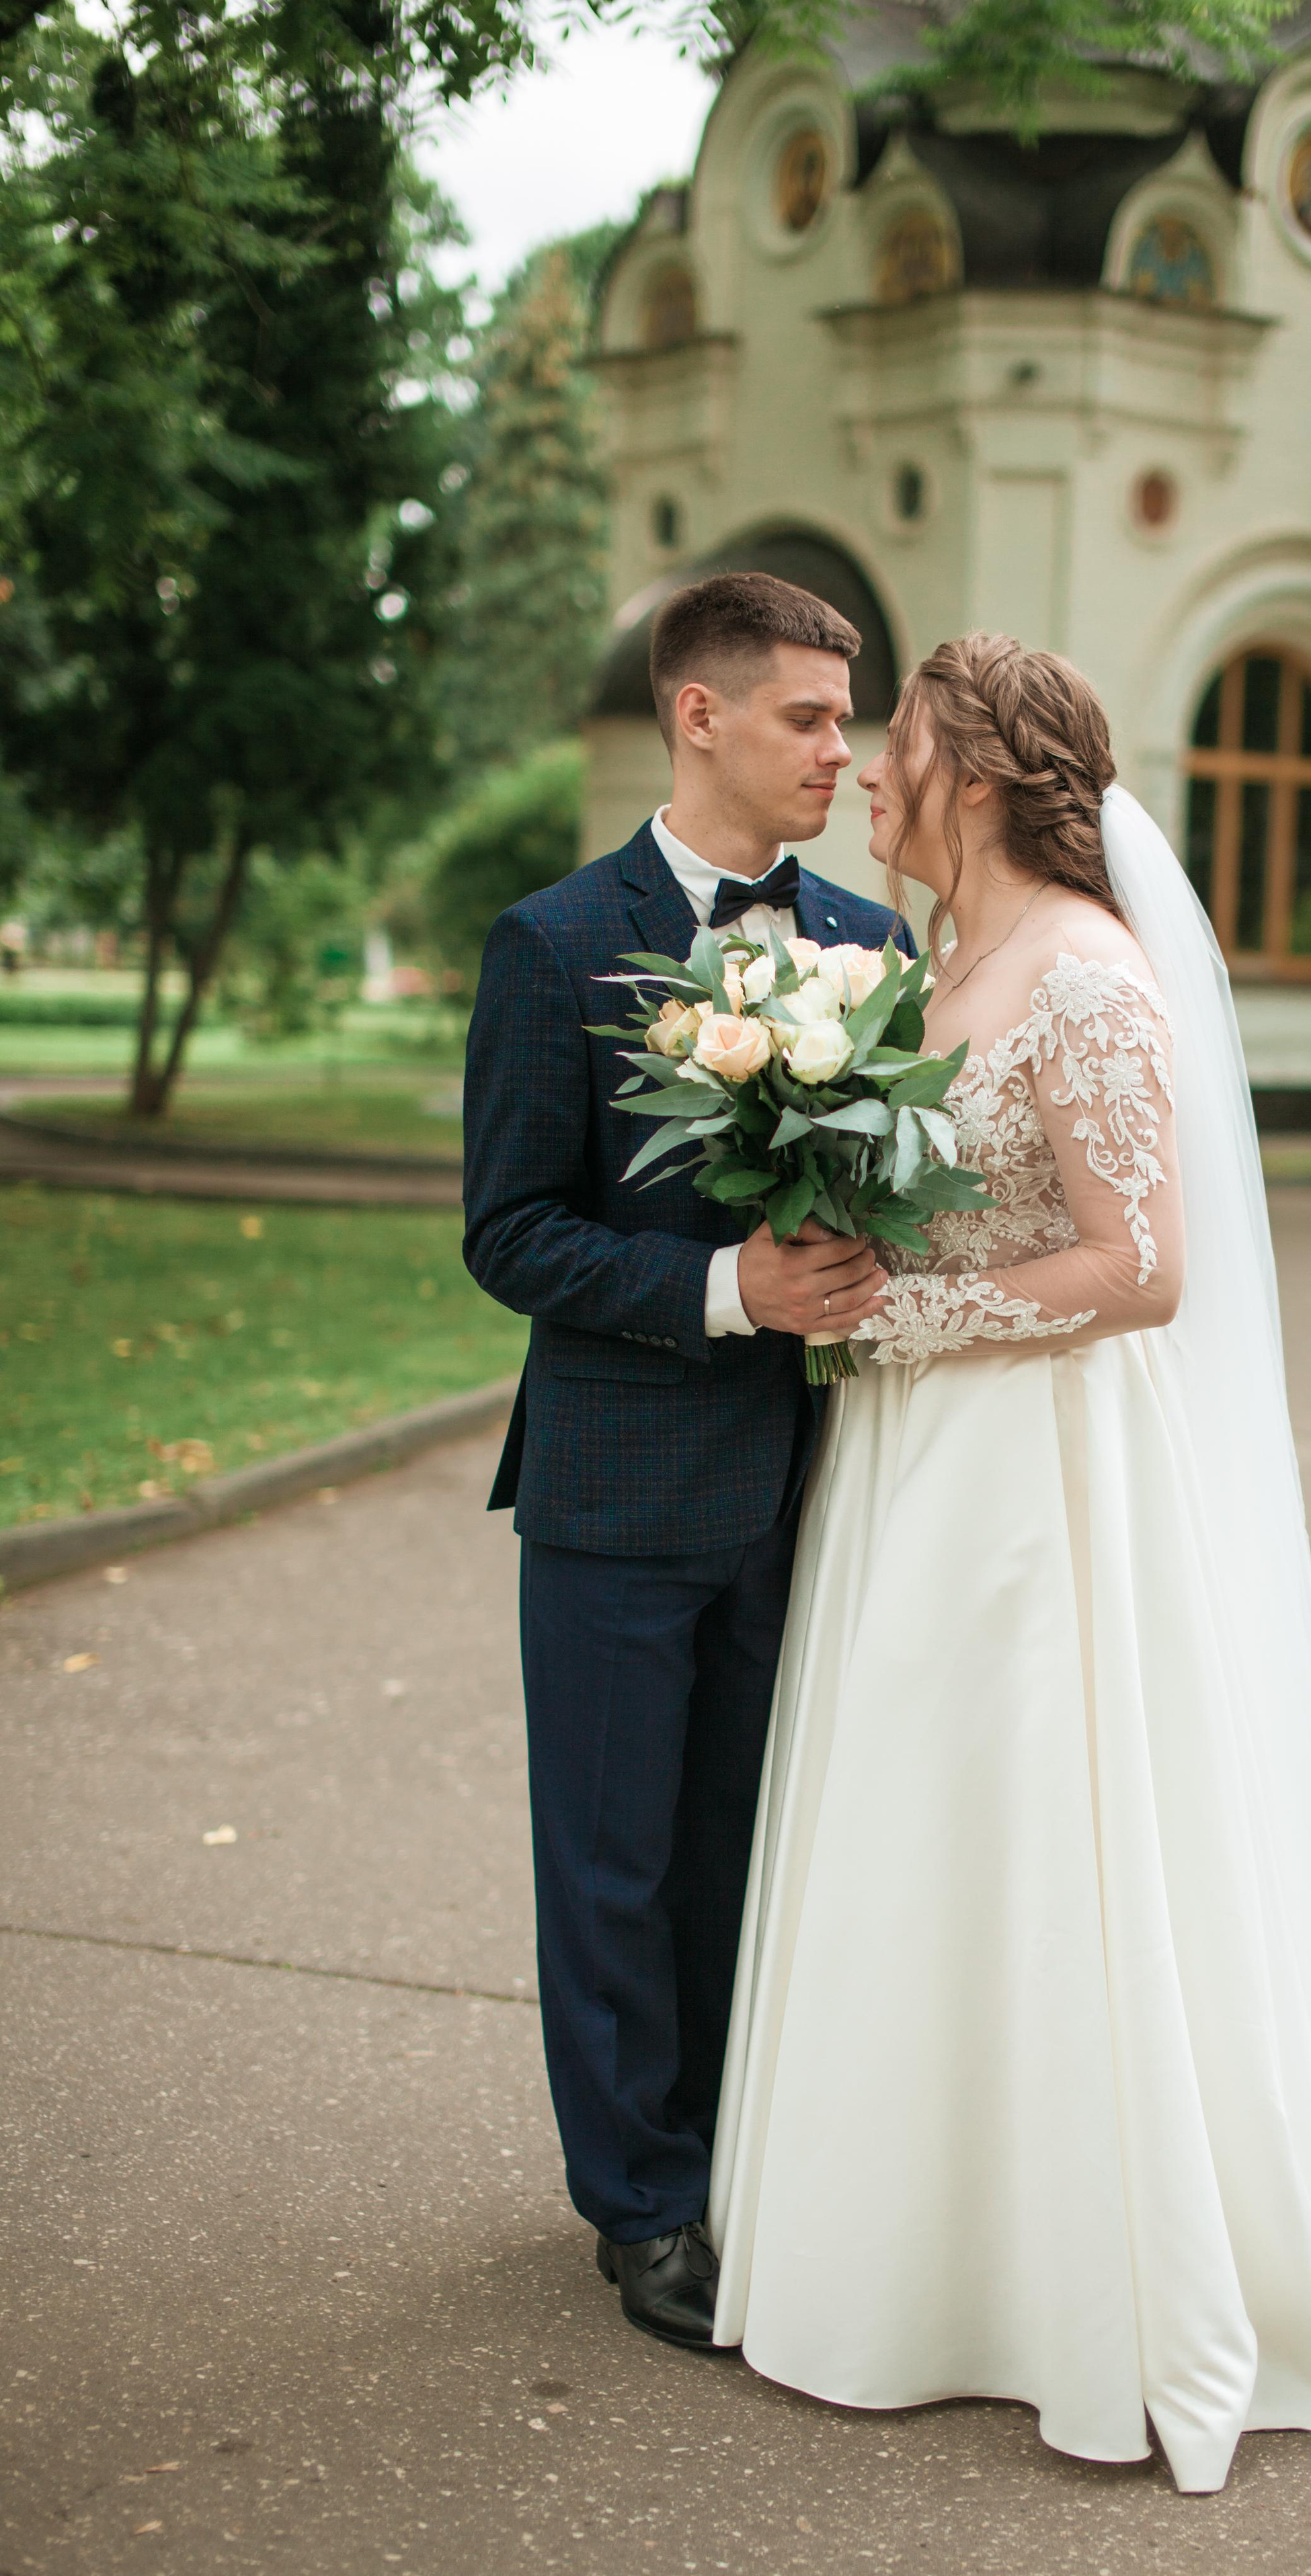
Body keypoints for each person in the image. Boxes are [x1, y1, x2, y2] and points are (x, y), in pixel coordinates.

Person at [707, 634, 1311, 2491]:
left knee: (1051, 1846)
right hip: (918, 1462)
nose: (872, 775)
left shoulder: (1092, 979)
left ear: (987, 775)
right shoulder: (943, 965)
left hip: (1044, 1478)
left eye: (905, 747)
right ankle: (911, 2255)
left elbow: (1146, 1268)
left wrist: (904, 1313)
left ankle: (1083, 2292)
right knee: (923, 1844)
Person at [461, 571, 902, 2352]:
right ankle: (638, 2206)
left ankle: (738, 2161)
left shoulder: (869, 940)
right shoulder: (557, 943)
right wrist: (730, 1288)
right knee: (614, 1870)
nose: (839, 753)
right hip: (617, 1492)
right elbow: (513, 1235)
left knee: (749, 1851)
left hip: (813, 1496)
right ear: (699, 713)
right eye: (806, 716)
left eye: (846, 719)